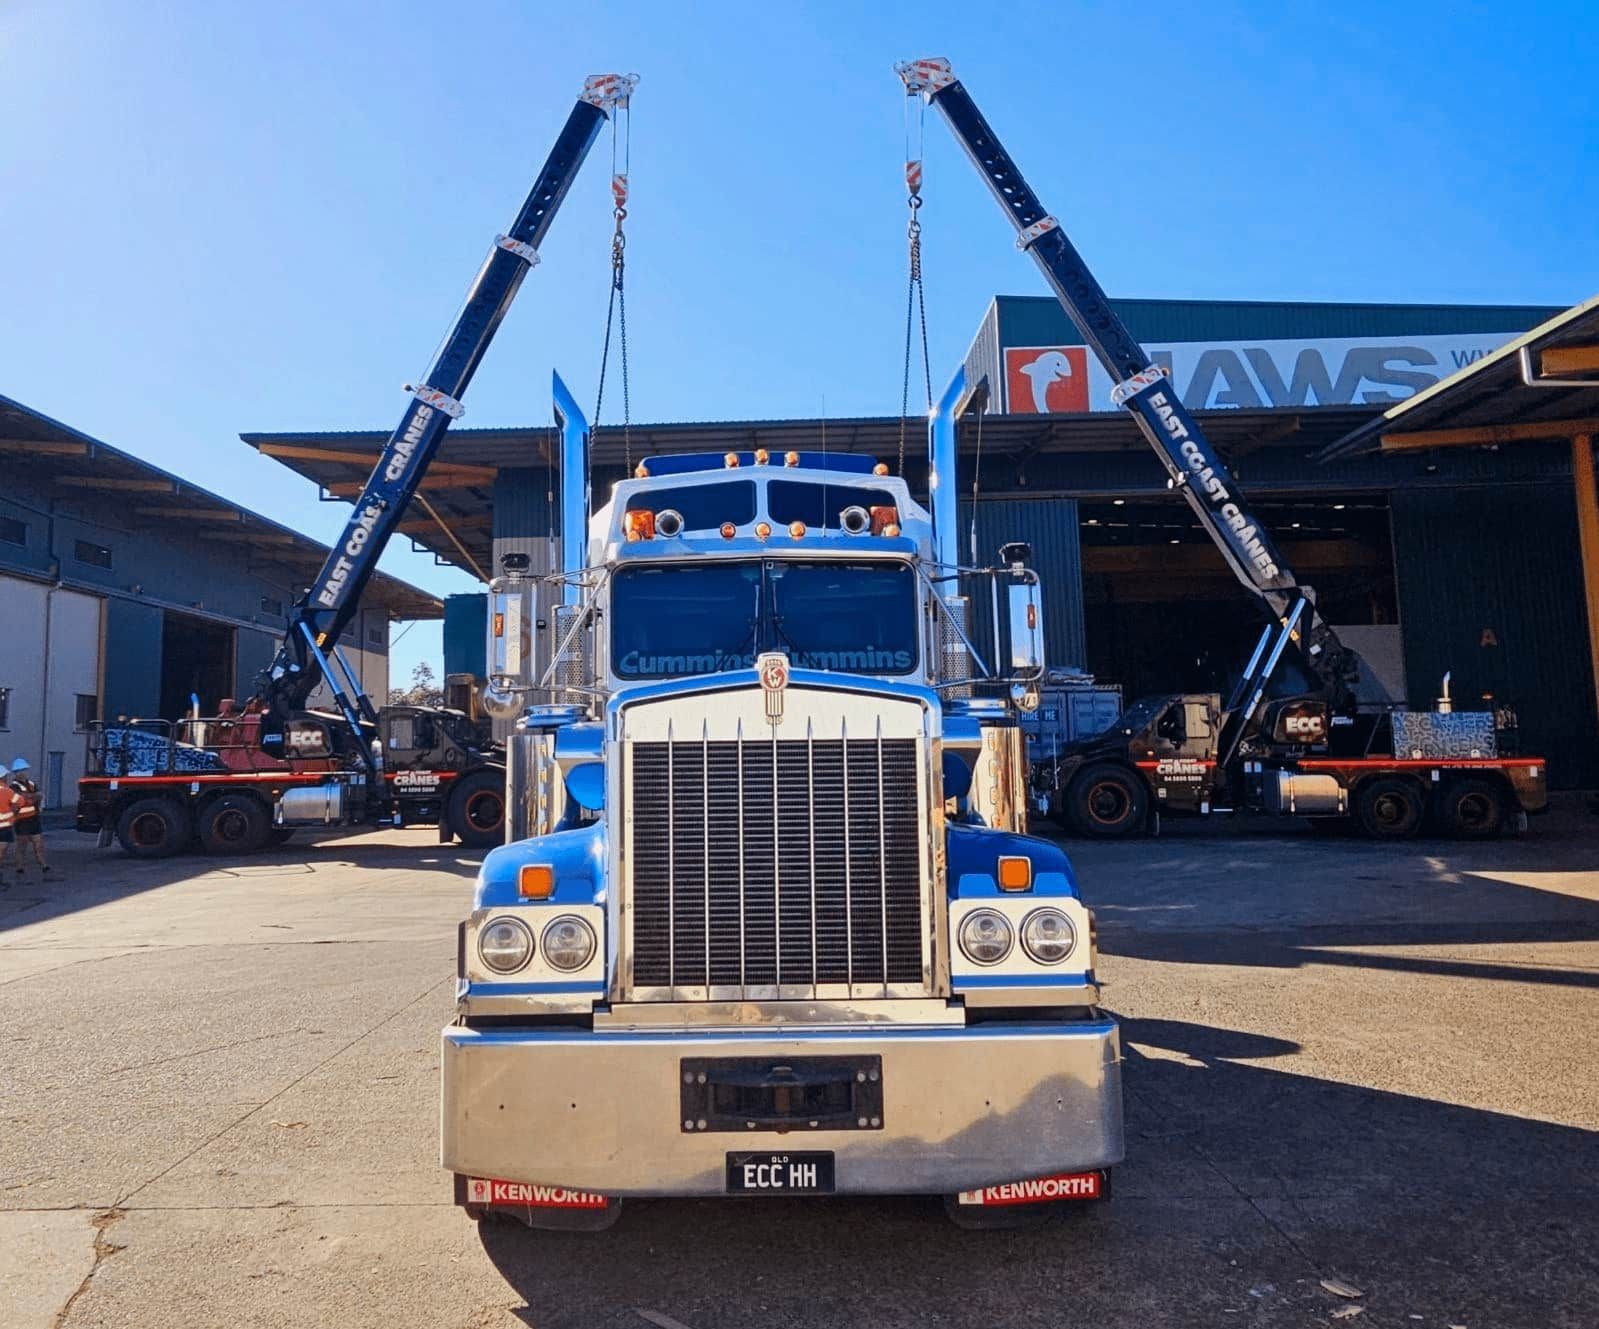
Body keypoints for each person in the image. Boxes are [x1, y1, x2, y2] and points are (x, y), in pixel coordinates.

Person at [8, 758, 47, 879]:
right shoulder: (13, 786)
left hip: (34, 818)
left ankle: (43, 864)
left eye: (23, 770)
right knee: (22, 845)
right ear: (15, 772)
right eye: (19, 771)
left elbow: (39, 796)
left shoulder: (31, 784)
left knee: (38, 843)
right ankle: (20, 867)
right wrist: (33, 797)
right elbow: (23, 797)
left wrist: (33, 798)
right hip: (21, 820)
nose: (22, 773)